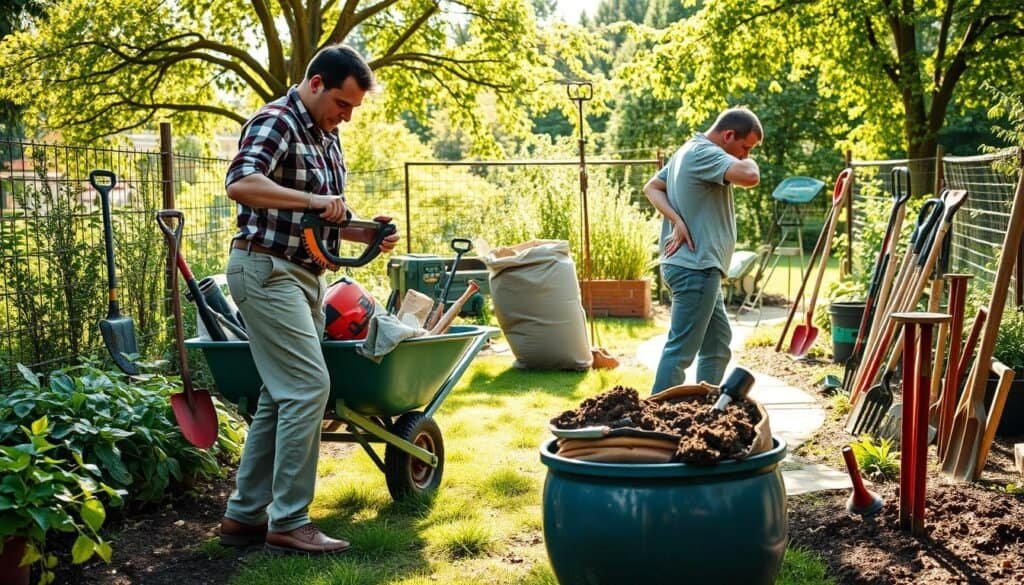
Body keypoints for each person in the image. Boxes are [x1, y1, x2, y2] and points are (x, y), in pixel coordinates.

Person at [217, 44, 400, 555]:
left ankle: (244, 515)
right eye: (343, 104)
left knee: (281, 397)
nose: (347, 116)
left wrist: (369, 233)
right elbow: (241, 182)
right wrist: (315, 200)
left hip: (304, 275)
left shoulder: (328, 138)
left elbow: (323, 215)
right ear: (316, 83)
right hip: (265, 269)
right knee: (307, 387)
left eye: (354, 109)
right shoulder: (276, 121)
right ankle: (290, 520)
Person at [643, 106, 762, 394]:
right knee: (681, 350)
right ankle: (655, 419)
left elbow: (652, 187)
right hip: (694, 267)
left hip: (698, 266)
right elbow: (750, 176)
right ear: (728, 135)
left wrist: (677, 220)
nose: (745, 155)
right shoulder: (703, 153)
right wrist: (751, 162)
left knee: (717, 344)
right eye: (745, 147)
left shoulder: (687, 150)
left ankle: (701, 408)